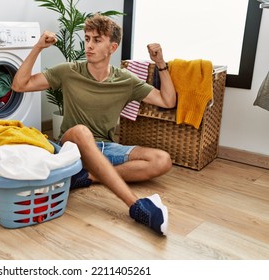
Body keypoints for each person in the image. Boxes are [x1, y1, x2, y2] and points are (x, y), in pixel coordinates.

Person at [12, 14, 176, 236]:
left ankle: (91, 176)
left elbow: (168, 101)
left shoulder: (126, 80)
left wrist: (160, 63)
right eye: (87, 39)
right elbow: (19, 85)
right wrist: (38, 47)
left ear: (112, 47)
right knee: (81, 131)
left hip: (106, 148)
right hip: (72, 145)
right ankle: (135, 205)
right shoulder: (68, 71)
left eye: (97, 40)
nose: (88, 45)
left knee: (162, 160)